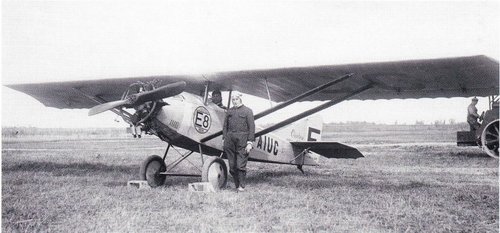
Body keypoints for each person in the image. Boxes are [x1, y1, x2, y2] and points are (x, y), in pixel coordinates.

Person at [223, 92, 255, 192]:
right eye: (233, 99)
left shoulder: (248, 111)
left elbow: (252, 127)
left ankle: (241, 186)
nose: (234, 101)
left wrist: (250, 142)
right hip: (230, 140)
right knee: (232, 167)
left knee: (240, 165)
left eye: (236, 99)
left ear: (240, 99)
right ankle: (237, 185)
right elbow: (225, 126)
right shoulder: (229, 111)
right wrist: (225, 138)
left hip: (242, 141)